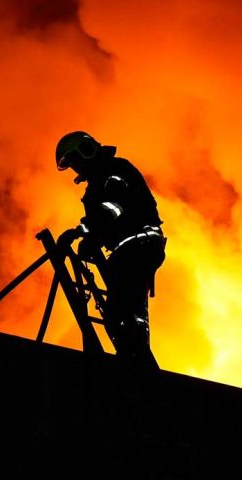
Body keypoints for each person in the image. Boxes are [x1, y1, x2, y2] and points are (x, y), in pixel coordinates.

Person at [55, 131, 166, 368]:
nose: (76, 168)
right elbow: (99, 219)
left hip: (138, 242)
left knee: (124, 311)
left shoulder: (114, 172)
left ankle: (137, 361)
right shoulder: (96, 185)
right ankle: (134, 356)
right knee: (117, 314)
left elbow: (113, 210)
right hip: (129, 247)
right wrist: (83, 234)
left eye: (76, 161)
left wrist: (86, 234)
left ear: (86, 151)